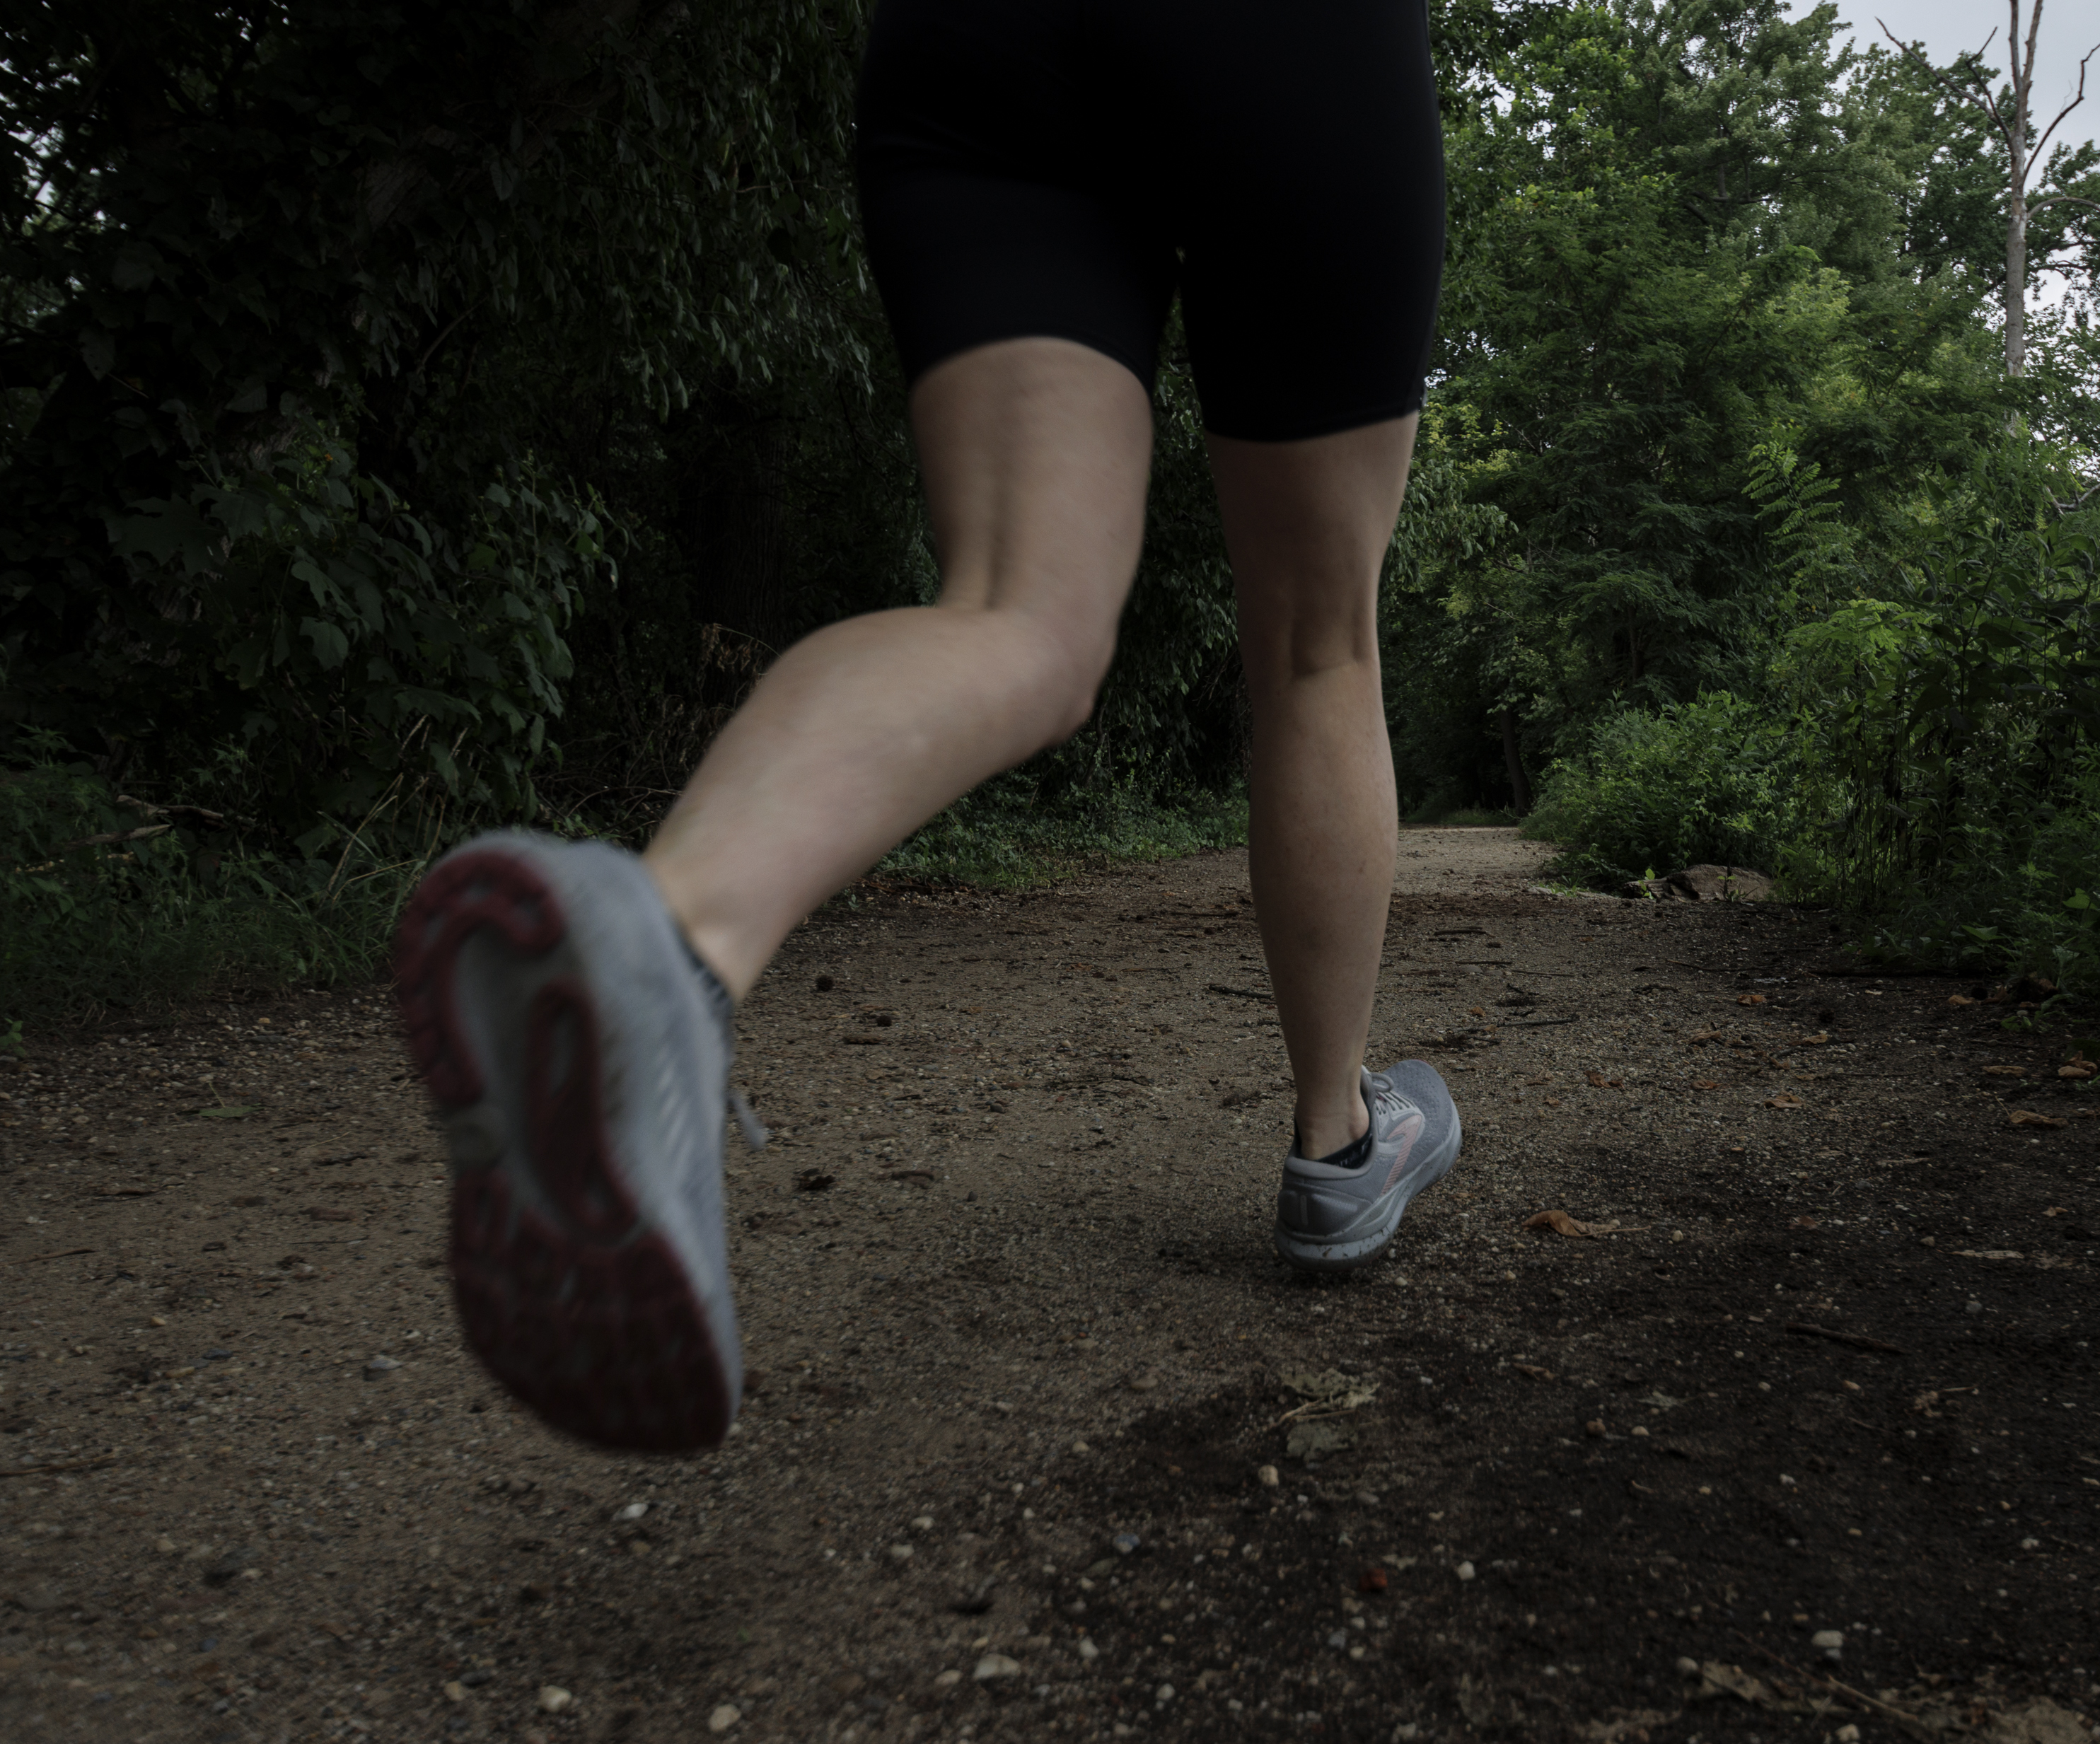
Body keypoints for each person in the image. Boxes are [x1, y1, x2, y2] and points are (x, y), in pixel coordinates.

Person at [389, 0, 1462, 1454]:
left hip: (975, 43)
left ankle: (667, 943)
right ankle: (1340, 1141)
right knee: (1314, 640)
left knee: (1021, 613)